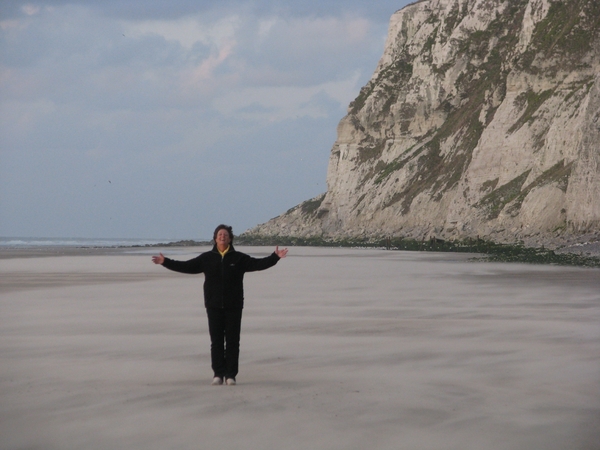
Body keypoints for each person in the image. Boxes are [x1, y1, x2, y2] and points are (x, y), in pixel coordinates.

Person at [151, 224, 288, 386]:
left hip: (234, 305)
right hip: (213, 305)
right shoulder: (206, 258)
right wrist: (165, 261)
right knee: (216, 341)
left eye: (225, 234)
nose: (222, 236)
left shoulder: (239, 258)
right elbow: (186, 266)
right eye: (219, 234)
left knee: (232, 341)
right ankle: (218, 374)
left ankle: (230, 375)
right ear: (215, 238)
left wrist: (275, 257)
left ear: (230, 238)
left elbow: (258, 264)